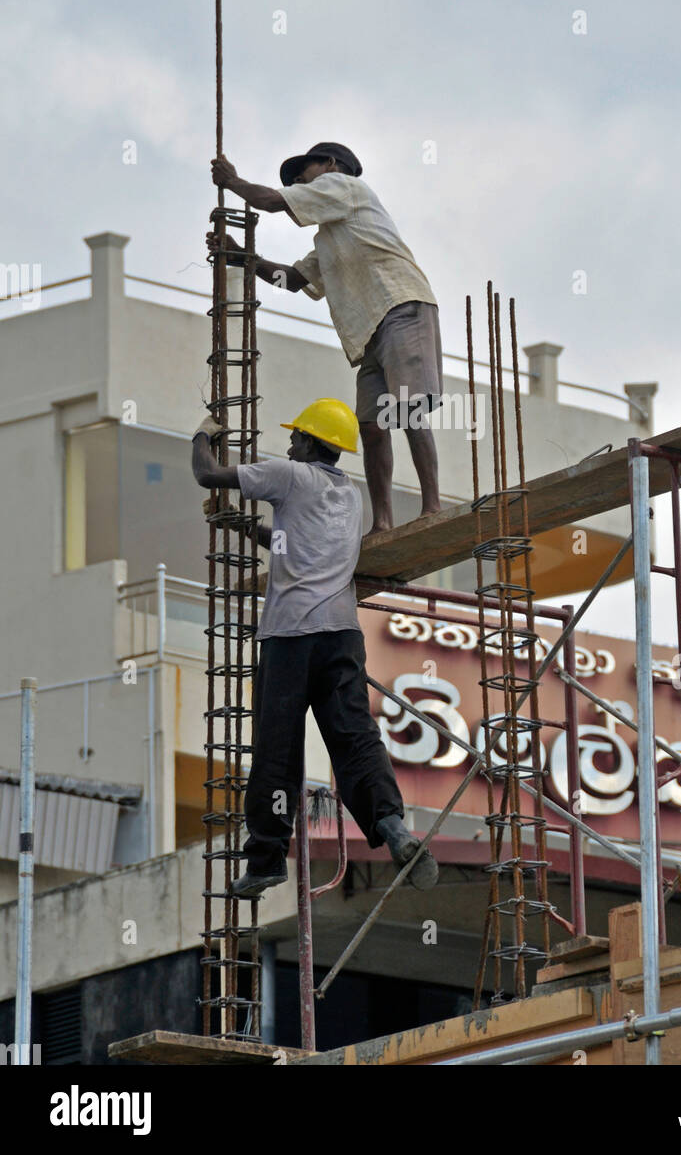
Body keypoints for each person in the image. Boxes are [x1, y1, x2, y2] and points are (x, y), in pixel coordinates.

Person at [191, 396, 438, 898]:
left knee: (277, 750)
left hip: (290, 639)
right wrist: (244, 527)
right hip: (341, 637)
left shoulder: (289, 476)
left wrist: (202, 434)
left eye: (295, 436)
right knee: (354, 740)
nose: (288, 443)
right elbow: (290, 545)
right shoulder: (348, 496)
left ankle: (266, 860)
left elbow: (207, 474)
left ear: (309, 442)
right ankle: (391, 826)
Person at [209, 141, 442, 533]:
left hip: (401, 306)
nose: (300, 179)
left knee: (407, 408)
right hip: (369, 334)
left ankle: (432, 506)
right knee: (371, 426)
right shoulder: (332, 235)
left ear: (331, 165)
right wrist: (243, 257)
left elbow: (270, 201)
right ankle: (383, 521)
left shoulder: (345, 187)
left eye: (305, 170)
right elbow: (294, 280)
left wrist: (232, 182)